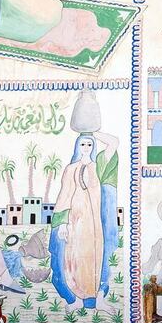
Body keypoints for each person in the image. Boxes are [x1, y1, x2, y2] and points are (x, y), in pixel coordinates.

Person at [48, 131, 119, 311]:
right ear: (77, 147)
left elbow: (114, 142)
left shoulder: (99, 166)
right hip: (74, 221)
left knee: (95, 258)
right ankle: (76, 299)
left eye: (89, 144)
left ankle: (98, 298)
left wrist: (92, 130)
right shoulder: (70, 169)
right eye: (83, 144)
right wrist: (63, 223)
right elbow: (64, 195)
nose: (86, 148)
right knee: (72, 259)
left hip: (94, 224)